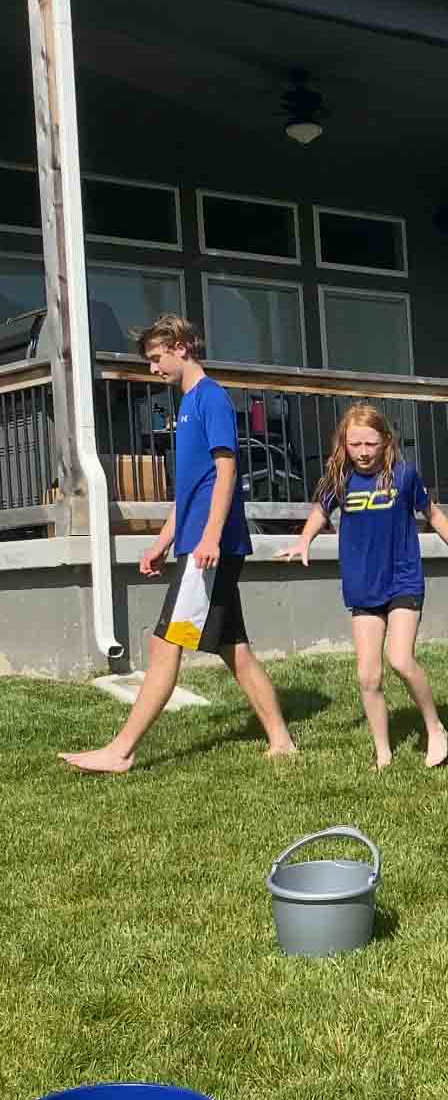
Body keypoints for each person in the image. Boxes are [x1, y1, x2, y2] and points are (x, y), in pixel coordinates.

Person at [60, 315, 295, 773]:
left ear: (182, 346)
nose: (152, 369)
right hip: (198, 546)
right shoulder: (186, 405)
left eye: (155, 358)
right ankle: (282, 740)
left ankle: (122, 750)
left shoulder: (211, 400)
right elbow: (190, 490)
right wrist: (161, 542)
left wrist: (208, 537)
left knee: (166, 644)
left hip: (211, 551)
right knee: (234, 648)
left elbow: (226, 474)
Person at [279, 404, 448, 769]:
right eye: (354, 443)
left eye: (370, 444)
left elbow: (434, 515)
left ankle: (434, 726)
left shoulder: (403, 476)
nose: (362, 452)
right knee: (367, 676)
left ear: (385, 442)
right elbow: (319, 513)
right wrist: (304, 541)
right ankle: (383, 753)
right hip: (362, 584)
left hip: (402, 578)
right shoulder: (338, 479)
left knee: (400, 659)